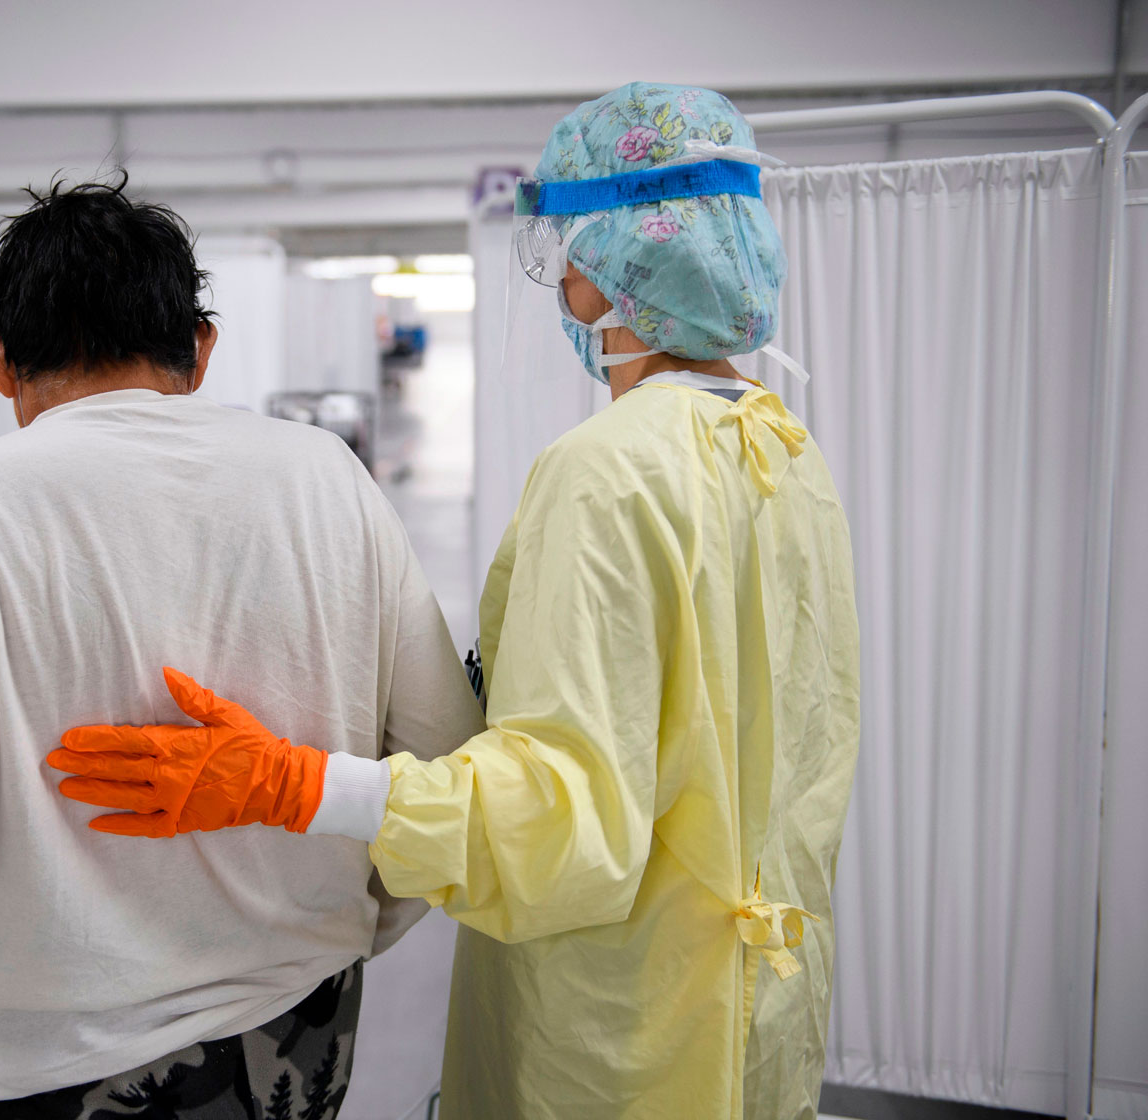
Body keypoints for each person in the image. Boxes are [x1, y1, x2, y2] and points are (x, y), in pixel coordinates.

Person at [51, 84, 861, 1119]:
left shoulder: (610, 471)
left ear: (610, 269)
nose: (562, 277)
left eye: (570, 246)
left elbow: (563, 822)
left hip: (628, 1040)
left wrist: (293, 784)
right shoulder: (784, 454)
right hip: (752, 1019)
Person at [0, 178, 484, 1118]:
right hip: (298, 1028)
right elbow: (448, 755)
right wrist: (340, 928)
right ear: (200, 351)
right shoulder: (327, 478)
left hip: (48, 1059)